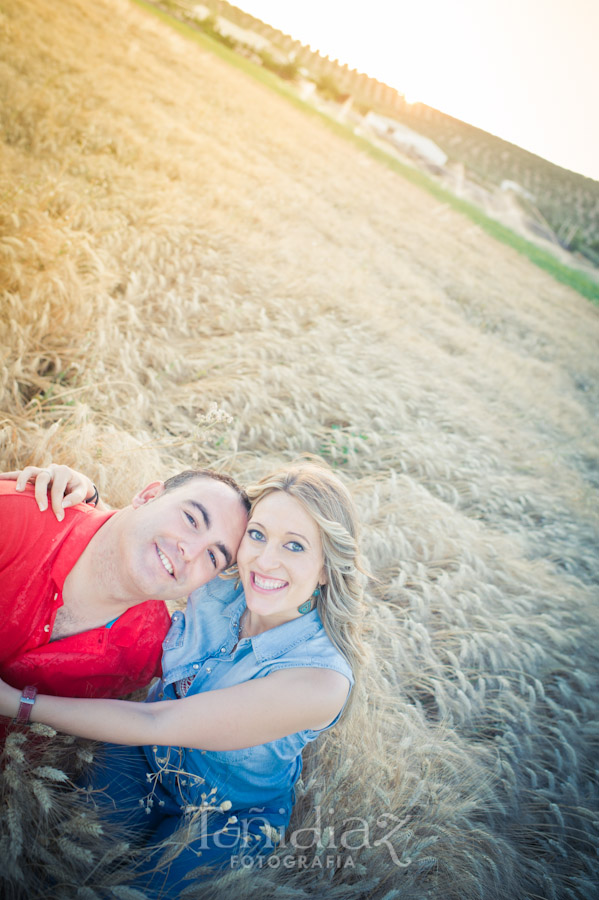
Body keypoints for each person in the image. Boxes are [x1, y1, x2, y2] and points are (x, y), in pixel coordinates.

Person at [0, 462, 365, 896]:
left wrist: (17, 703)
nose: (266, 561)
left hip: (230, 810)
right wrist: (85, 495)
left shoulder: (320, 681)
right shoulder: (217, 582)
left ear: (326, 569)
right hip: (140, 759)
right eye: (258, 535)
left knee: (145, 893)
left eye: (296, 546)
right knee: (61, 862)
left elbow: (158, 722)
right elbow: (157, 542)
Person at [0, 464, 249, 700]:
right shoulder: (13, 516)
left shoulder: (144, 658)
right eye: (191, 519)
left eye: (212, 556)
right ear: (148, 496)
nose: (191, 552)